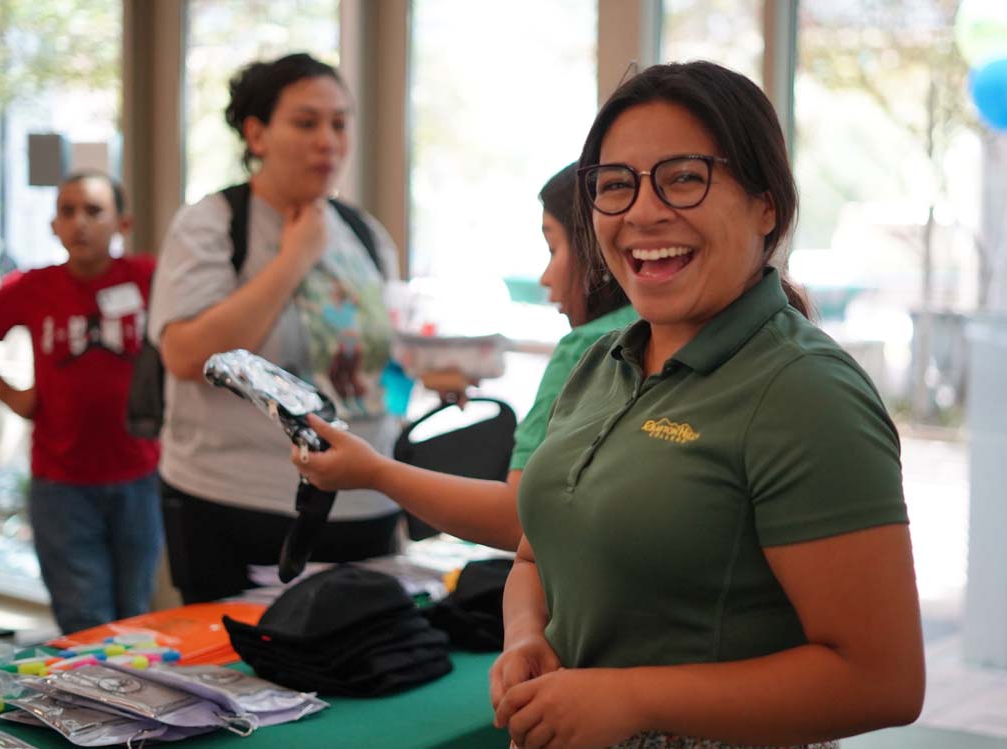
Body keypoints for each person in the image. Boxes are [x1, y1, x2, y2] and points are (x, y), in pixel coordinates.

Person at [489, 61, 925, 749]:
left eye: (684, 177)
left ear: (766, 205)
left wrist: (630, 698)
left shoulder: (806, 392)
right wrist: (524, 638)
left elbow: (882, 680)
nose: (642, 211)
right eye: (615, 185)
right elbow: (534, 557)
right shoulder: (602, 363)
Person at [147, 52, 404, 604]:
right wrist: (294, 259)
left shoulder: (365, 233)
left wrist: (436, 371)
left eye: (339, 124)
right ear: (257, 134)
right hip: (236, 504)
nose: (328, 141)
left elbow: (380, 360)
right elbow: (186, 356)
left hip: (367, 503)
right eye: (306, 123)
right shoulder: (212, 224)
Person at [291, 163, 636, 551]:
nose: (544, 278)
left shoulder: (586, 350)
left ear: (595, 248)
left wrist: (374, 472)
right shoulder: (663, 335)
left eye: (553, 249)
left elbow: (517, 519)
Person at [0, 171, 161, 634]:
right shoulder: (34, 286)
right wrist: (9, 393)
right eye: (68, 211)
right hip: (62, 483)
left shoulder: (147, 277)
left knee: (134, 616)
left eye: (94, 211)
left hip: (139, 477)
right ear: (54, 226)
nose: (80, 222)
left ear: (123, 225)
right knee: (85, 619)